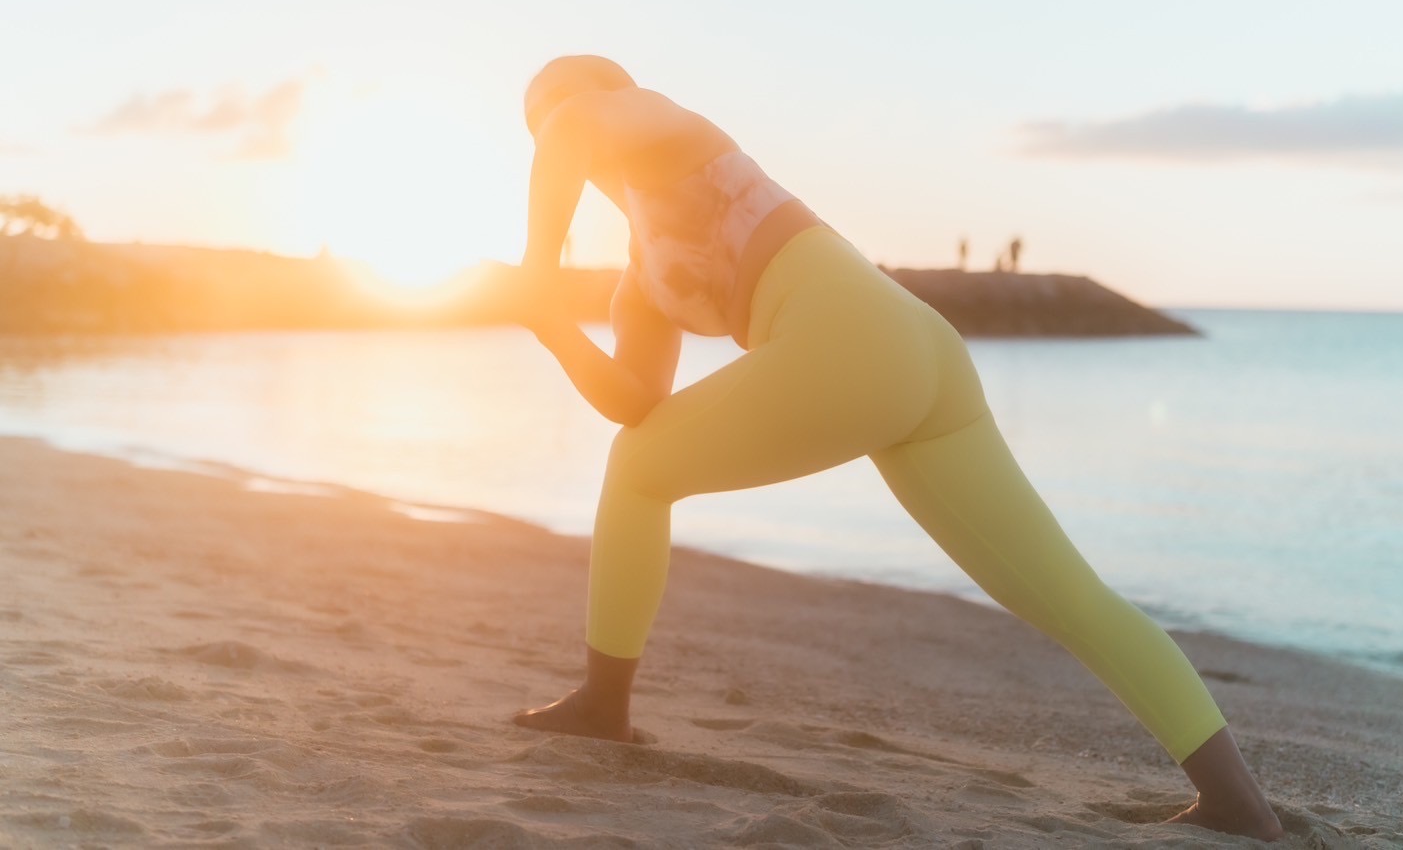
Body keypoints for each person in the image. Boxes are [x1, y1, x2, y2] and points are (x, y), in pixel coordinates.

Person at [511, 55, 1284, 841]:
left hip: (859, 342)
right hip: (914, 355)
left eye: (551, 114)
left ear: (612, 92)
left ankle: (604, 706)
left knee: (636, 471)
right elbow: (639, 402)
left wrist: (537, 266)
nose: (549, 136)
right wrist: (553, 327)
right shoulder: (642, 279)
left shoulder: (667, 125)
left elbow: (574, 126)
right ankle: (1239, 806)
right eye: (532, 128)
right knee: (643, 458)